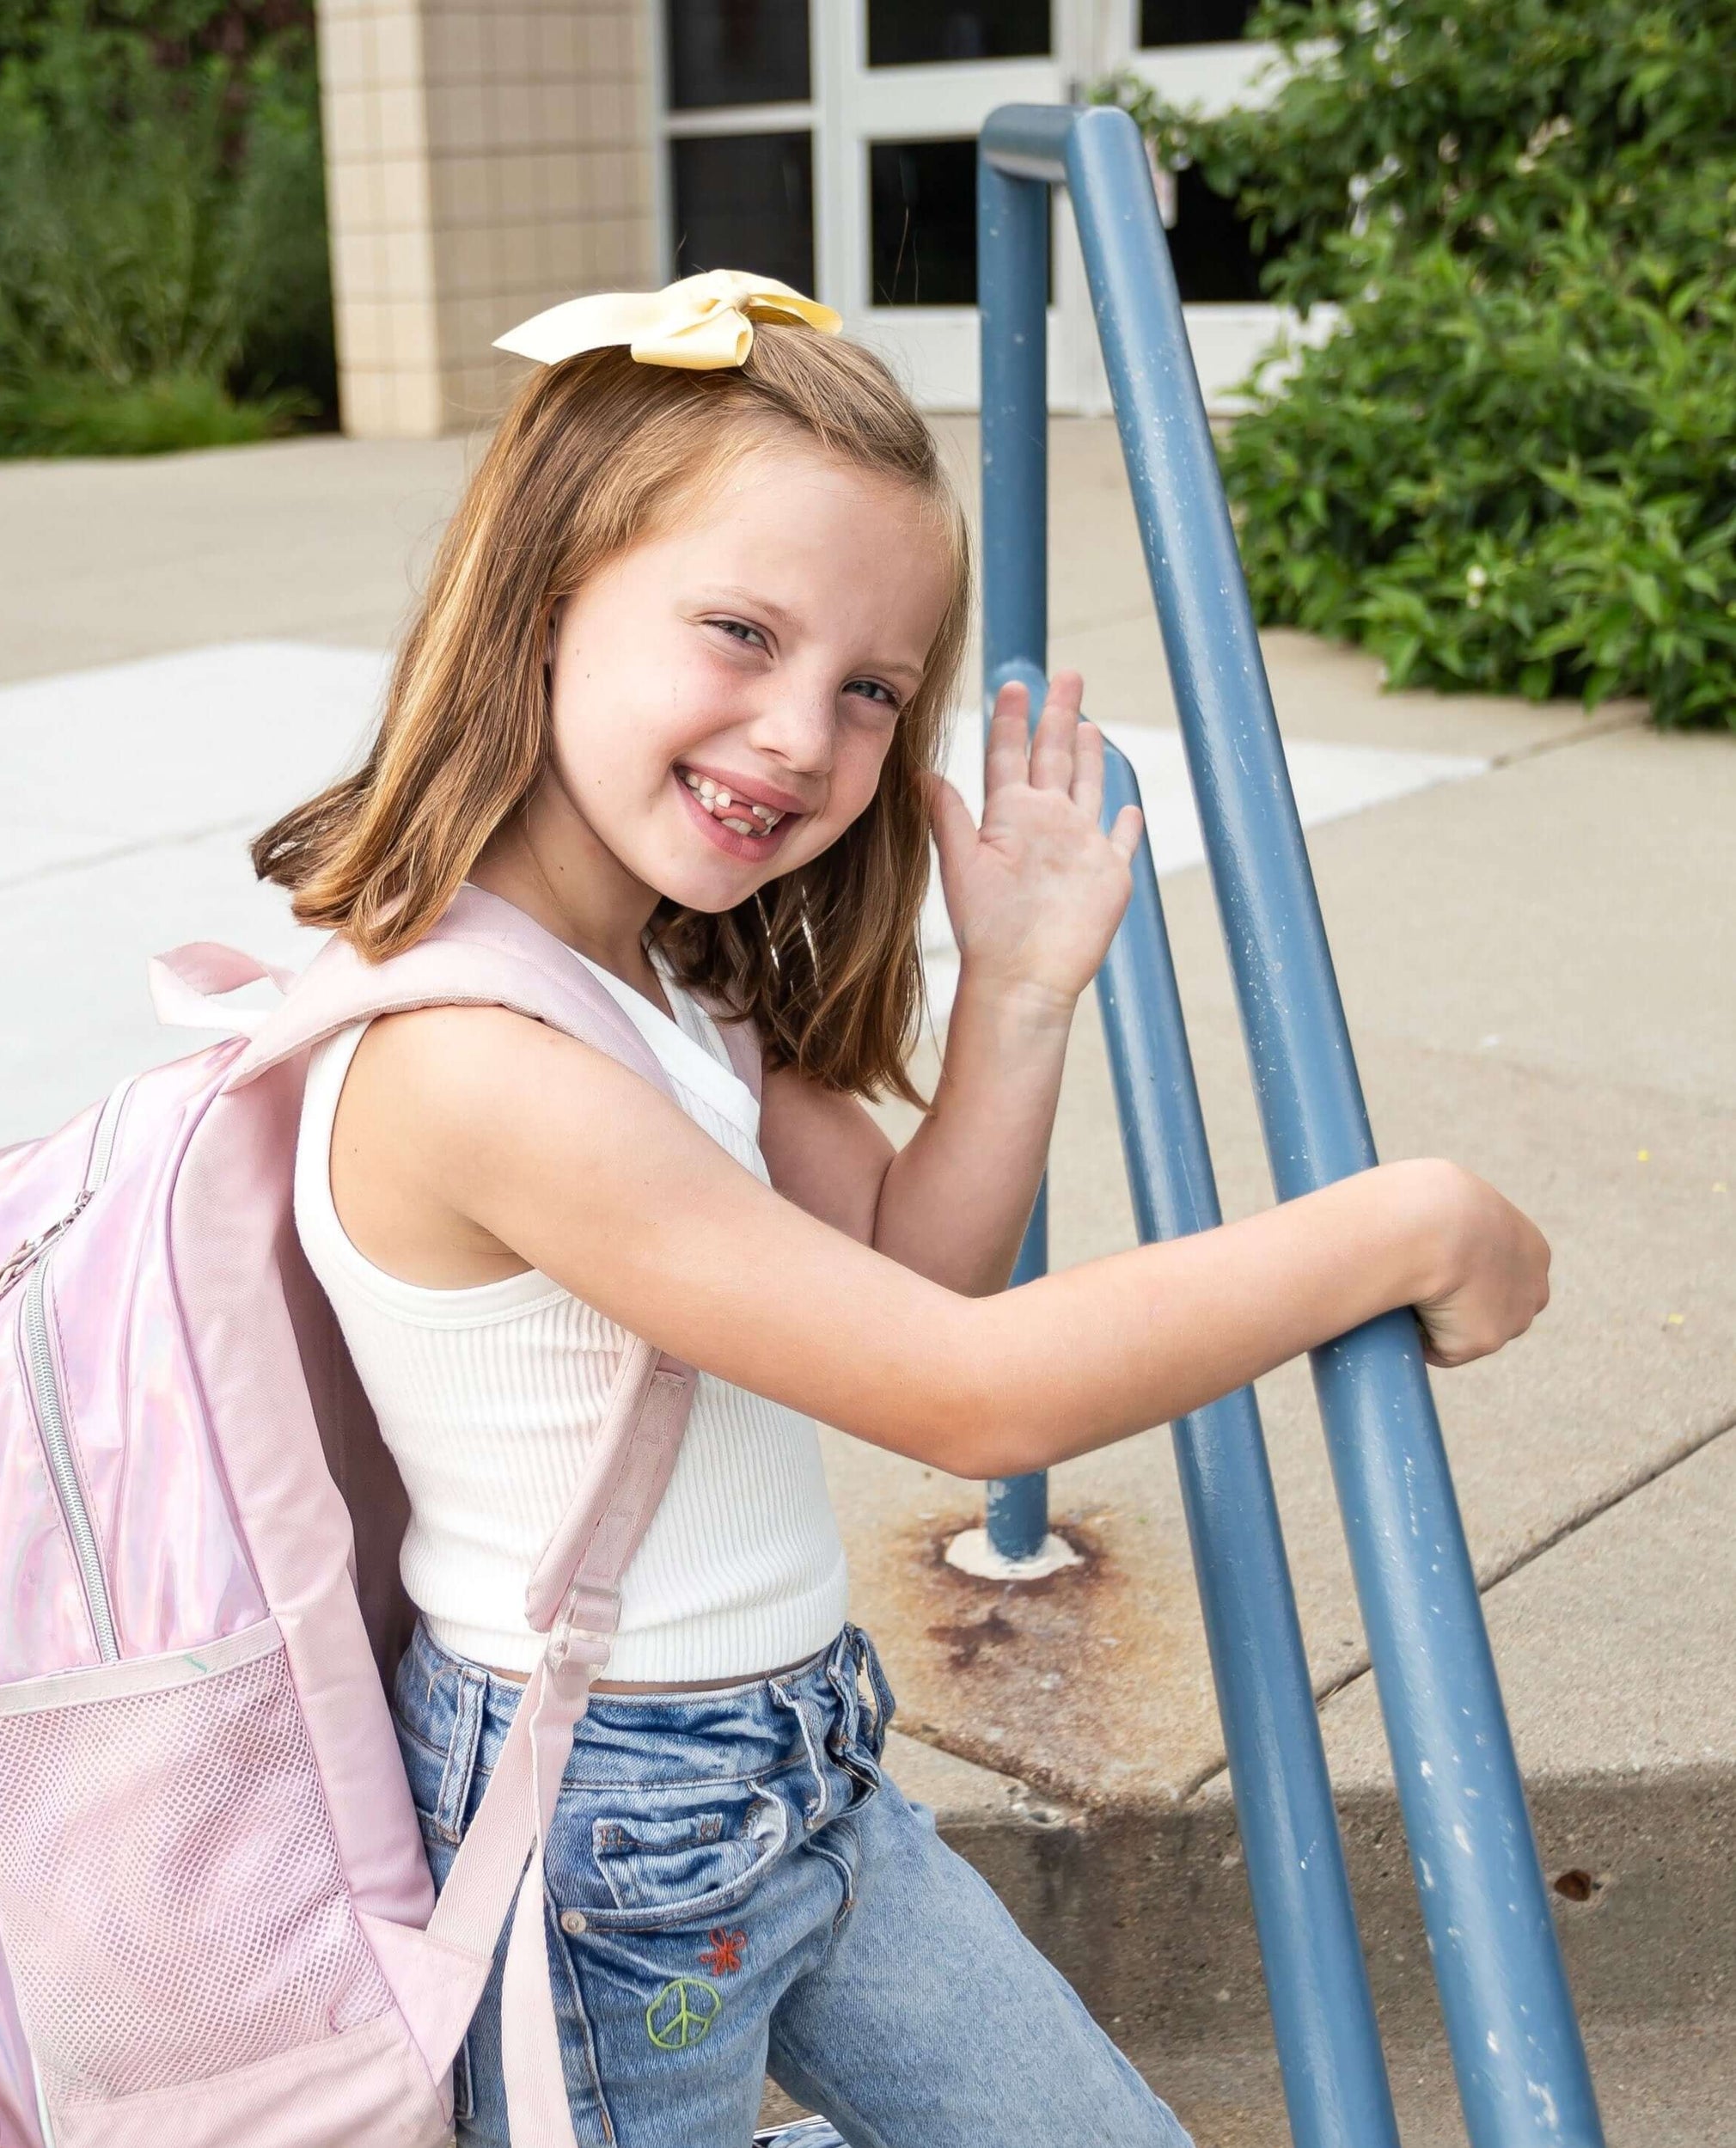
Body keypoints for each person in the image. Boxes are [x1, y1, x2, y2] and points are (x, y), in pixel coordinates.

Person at [250, 273, 1550, 2148]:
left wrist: (1014, 991)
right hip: (601, 1838)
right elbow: (962, 1389)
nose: (797, 733)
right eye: (736, 632)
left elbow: (907, 1273)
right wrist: (1395, 1220)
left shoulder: (667, 981)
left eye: (866, 686)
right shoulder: (479, 1061)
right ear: (539, 604)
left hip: (802, 1758)